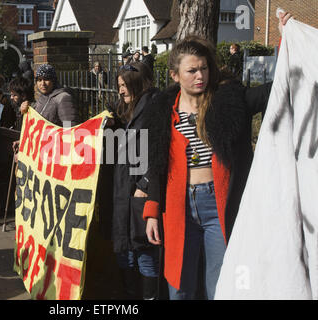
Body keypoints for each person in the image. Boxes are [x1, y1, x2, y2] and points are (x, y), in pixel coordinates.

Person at [144, 12, 292, 300]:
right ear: (175, 75)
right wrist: (151, 211)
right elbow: (157, 163)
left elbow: (274, 92)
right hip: (178, 207)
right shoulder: (162, 110)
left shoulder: (229, 100)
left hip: (222, 204)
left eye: (203, 69)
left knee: (223, 285)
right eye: (191, 71)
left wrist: (285, 40)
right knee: (179, 287)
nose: (200, 76)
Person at [110, 62, 161, 300]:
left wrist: (145, 185)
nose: (120, 90)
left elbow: (160, 151)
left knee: (144, 254)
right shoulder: (133, 110)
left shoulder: (153, 108)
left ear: (137, 83)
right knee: (128, 254)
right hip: (127, 192)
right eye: (119, 85)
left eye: (124, 85)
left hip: (139, 192)